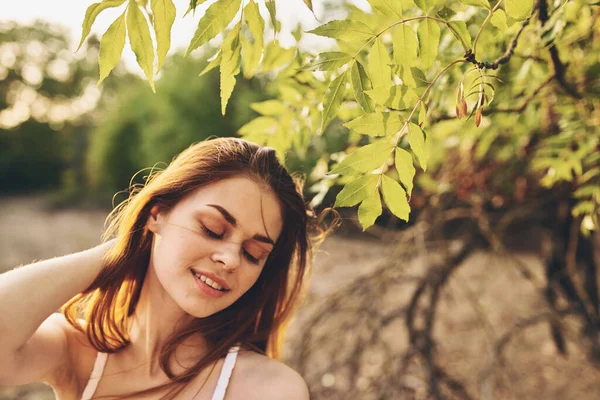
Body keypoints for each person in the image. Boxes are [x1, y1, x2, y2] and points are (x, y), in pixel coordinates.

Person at [0, 137, 338, 400]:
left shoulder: (269, 389)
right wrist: (123, 249)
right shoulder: (78, 349)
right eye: (212, 229)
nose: (231, 259)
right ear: (157, 214)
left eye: (253, 254)